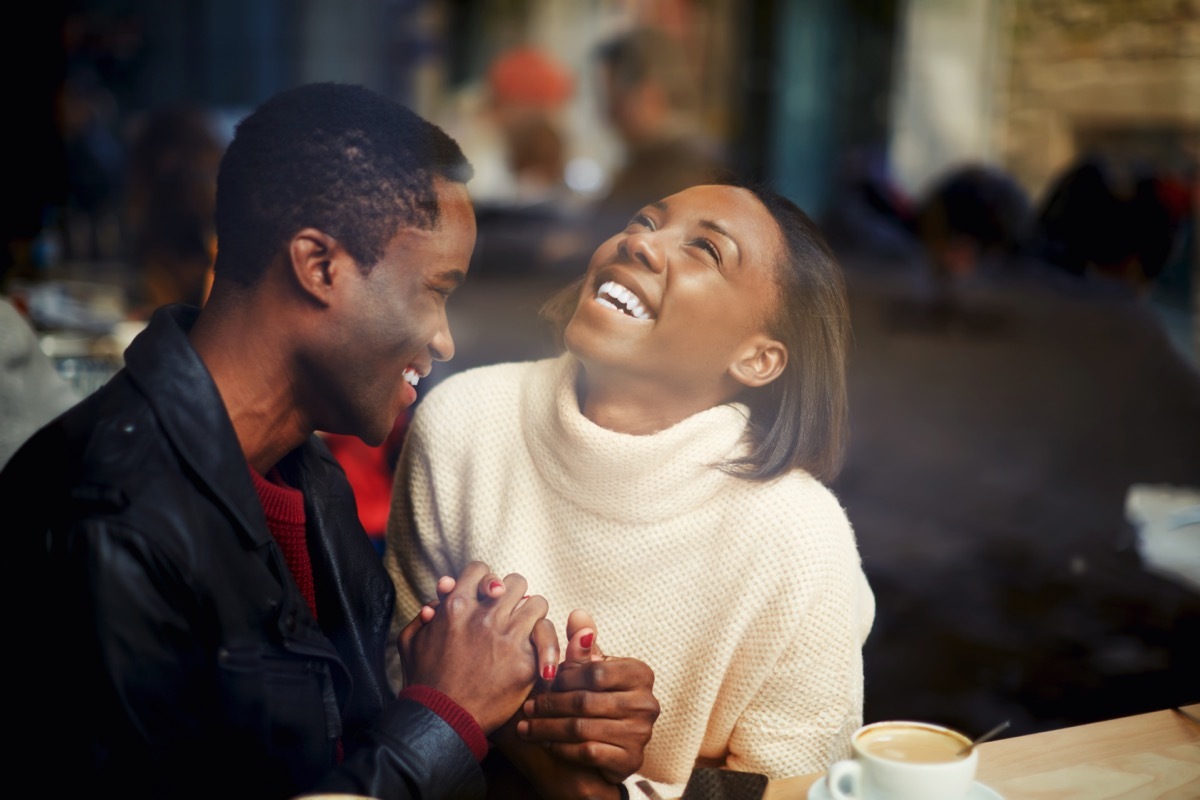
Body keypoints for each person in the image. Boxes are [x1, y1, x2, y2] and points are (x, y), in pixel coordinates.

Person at [5, 82, 655, 800]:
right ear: (319, 267)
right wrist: (446, 715)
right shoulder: (103, 522)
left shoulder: (308, 477)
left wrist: (524, 731)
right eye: (435, 290)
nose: (443, 338)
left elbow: (336, 754)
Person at [386, 182, 876, 794]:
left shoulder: (801, 535)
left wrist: (608, 790)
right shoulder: (462, 421)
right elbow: (392, 673)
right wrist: (527, 725)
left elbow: (801, 787)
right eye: (645, 219)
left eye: (705, 250)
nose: (639, 243)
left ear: (757, 359)